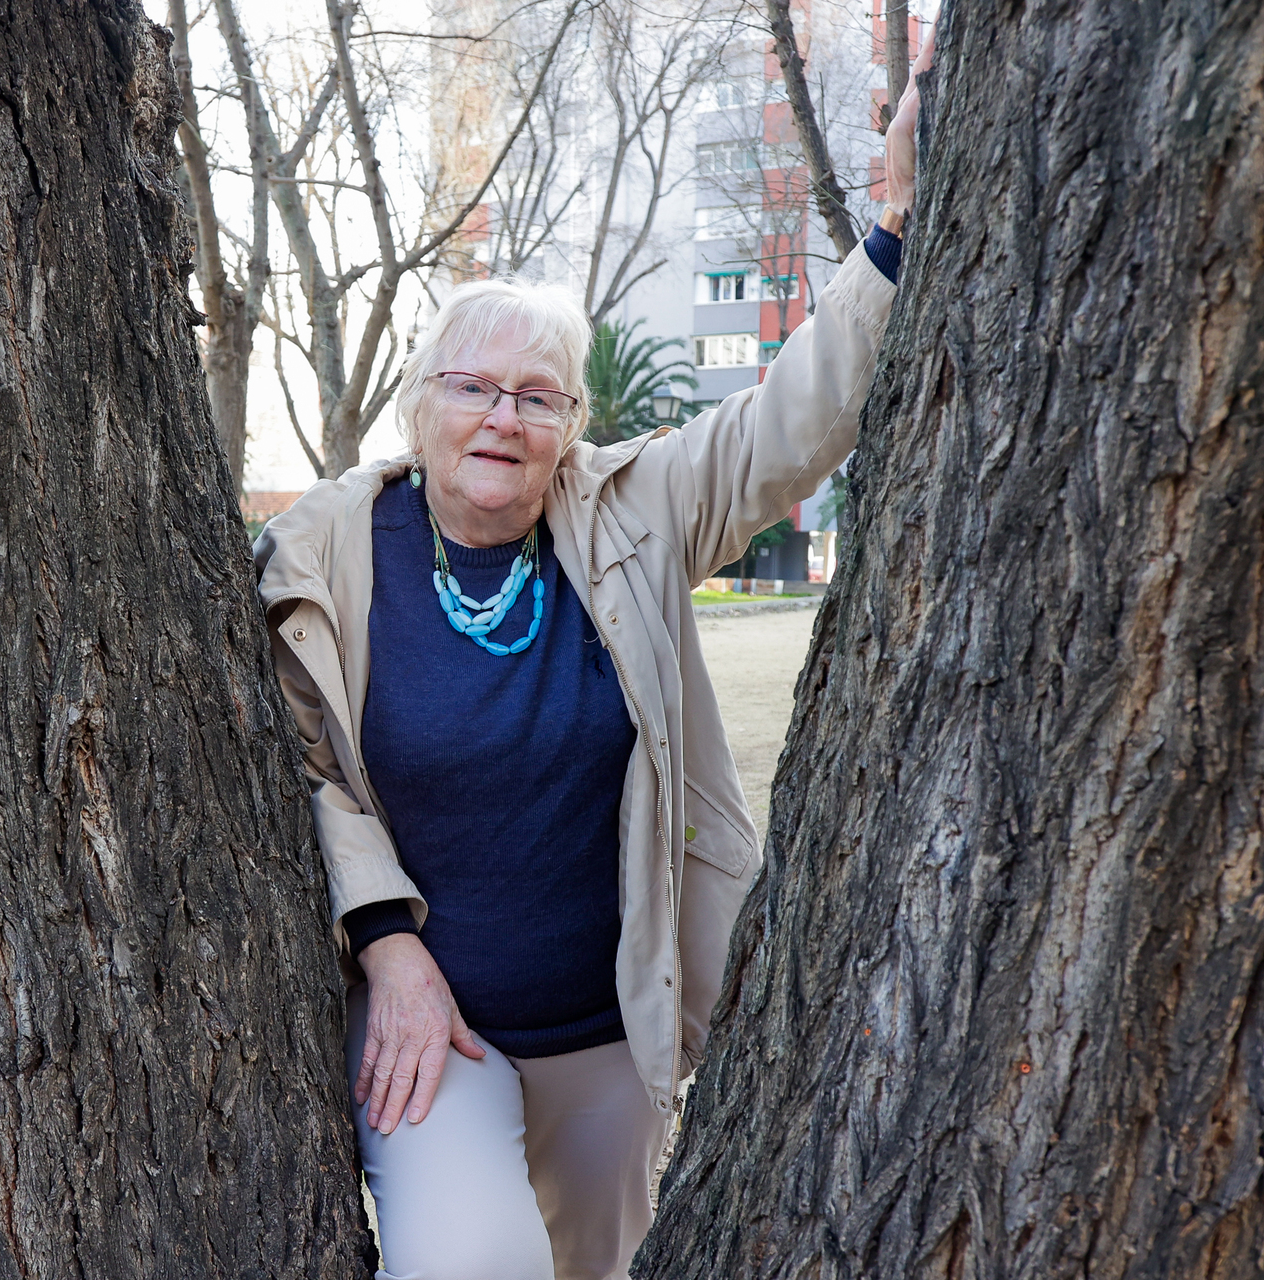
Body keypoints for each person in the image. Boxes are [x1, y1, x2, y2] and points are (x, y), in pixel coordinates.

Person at [253, 44, 929, 1280]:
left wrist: (892, 227)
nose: (504, 416)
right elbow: (303, 765)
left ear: (572, 424)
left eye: (539, 395)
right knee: (471, 1265)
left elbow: (787, 422)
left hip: (612, 1035)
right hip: (430, 1031)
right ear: (422, 404)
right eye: (475, 386)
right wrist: (385, 944)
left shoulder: (632, 511)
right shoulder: (328, 547)